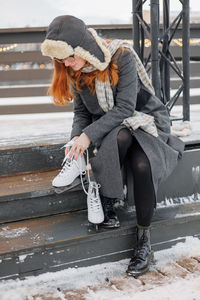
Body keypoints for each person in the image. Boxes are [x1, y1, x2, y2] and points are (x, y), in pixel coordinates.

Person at [41, 15, 185, 277]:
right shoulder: (74, 70)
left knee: (142, 165)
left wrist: (88, 137)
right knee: (117, 136)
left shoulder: (121, 56)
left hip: (143, 121)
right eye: (62, 60)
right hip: (113, 129)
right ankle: (108, 196)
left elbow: (126, 109)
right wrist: (77, 142)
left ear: (84, 48)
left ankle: (143, 242)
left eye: (70, 57)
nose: (66, 64)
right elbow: (82, 115)